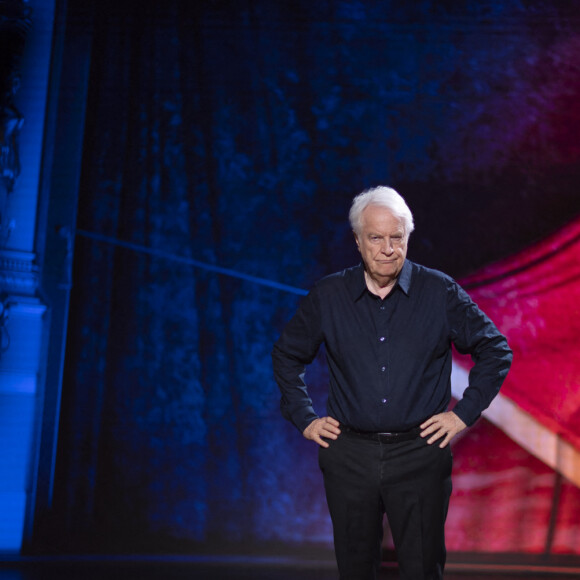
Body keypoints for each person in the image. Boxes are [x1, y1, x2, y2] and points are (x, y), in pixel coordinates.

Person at [271, 186, 512, 580]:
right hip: (349, 455)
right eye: (376, 237)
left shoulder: (439, 292)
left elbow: (495, 350)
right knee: (355, 569)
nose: (387, 248)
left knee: (421, 569)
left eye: (396, 237)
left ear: (407, 237)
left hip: (419, 454)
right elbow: (286, 354)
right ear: (358, 241)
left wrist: (462, 415)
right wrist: (304, 417)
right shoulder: (329, 295)